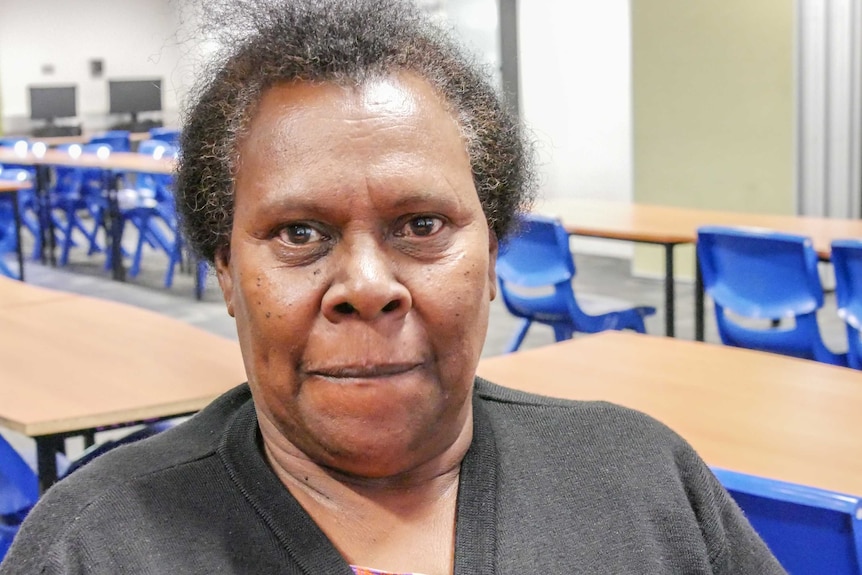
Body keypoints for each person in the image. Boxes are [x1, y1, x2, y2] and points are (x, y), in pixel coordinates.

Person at [1, 0, 786, 573]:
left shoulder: (644, 480)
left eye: (420, 226)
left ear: (492, 255)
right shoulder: (93, 547)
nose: (368, 287)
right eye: (299, 233)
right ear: (225, 274)